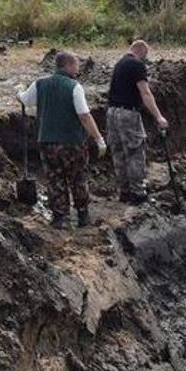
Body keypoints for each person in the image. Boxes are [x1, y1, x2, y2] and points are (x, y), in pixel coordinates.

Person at [17, 52, 107, 229]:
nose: (78, 68)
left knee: (55, 178)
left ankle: (61, 217)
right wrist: (98, 138)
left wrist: (19, 92)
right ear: (68, 65)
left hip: (48, 141)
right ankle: (82, 215)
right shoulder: (74, 86)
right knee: (77, 177)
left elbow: (25, 100)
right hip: (72, 142)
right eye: (76, 65)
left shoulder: (39, 84)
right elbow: (84, 116)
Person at [105, 39, 168, 204]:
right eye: (145, 56)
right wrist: (158, 117)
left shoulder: (120, 63)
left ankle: (124, 192)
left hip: (112, 113)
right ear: (141, 50)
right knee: (134, 153)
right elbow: (145, 93)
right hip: (127, 114)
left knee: (118, 153)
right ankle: (138, 193)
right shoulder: (137, 65)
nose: (145, 60)